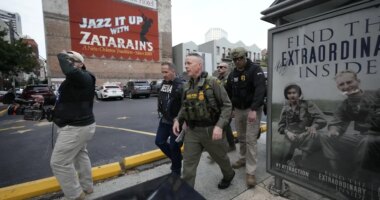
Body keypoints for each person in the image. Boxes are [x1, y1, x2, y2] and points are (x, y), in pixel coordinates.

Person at [172, 53, 235, 189]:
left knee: (221, 159)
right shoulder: (186, 86)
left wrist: (219, 126)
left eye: (189, 63)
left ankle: (229, 175)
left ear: (199, 65)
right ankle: (187, 194)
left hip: (211, 130)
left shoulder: (213, 82)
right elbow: (185, 106)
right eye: (185, 63)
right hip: (192, 132)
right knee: (188, 167)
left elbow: (227, 105)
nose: (186, 66)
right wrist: (178, 119)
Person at [50, 50, 96, 200]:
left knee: (59, 162)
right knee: (80, 155)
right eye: (68, 60)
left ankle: (75, 195)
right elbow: (65, 98)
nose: (68, 64)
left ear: (81, 64)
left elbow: (69, 69)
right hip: (77, 126)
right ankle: (87, 187)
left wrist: (62, 54)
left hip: (76, 128)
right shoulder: (73, 81)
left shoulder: (84, 77)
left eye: (72, 61)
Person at [320, 70, 380, 178]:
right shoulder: (344, 105)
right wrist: (334, 130)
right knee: (325, 136)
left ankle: (359, 179)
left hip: (376, 136)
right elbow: (337, 121)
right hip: (363, 136)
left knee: (367, 141)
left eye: (349, 82)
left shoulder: (376, 95)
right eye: (341, 84)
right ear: (338, 88)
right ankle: (339, 175)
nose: (346, 86)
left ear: (358, 81)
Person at [225, 47, 266, 188]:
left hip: (252, 109)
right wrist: (230, 109)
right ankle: (242, 158)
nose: (237, 62)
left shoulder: (255, 69)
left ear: (245, 57)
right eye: (235, 59)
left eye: (240, 59)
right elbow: (228, 92)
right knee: (241, 137)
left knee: (250, 139)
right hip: (238, 109)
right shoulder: (233, 73)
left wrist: (254, 109)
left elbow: (261, 90)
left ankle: (251, 171)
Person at [278, 84, 327, 167]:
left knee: (307, 163)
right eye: (289, 93)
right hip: (291, 136)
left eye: (294, 92)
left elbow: (322, 119)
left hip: (306, 135)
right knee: (283, 161)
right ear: (286, 95)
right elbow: (281, 126)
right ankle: (282, 173)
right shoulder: (286, 108)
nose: (292, 95)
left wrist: (313, 127)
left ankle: (304, 164)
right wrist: (288, 133)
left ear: (299, 94)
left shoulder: (308, 104)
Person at [155, 62, 183, 176]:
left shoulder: (180, 85)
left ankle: (176, 170)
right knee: (159, 141)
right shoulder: (164, 84)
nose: (164, 75)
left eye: (166, 72)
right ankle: (177, 158)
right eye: (162, 72)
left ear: (173, 71)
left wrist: (180, 119)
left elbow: (184, 105)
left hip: (176, 121)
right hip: (165, 120)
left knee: (174, 146)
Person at [216, 62, 236, 151]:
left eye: (221, 67)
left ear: (226, 68)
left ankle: (222, 149)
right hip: (220, 107)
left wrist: (233, 109)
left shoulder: (230, 79)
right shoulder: (218, 78)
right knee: (226, 126)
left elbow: (234, 95)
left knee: (223, 126)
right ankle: (231, 145)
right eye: (218, 67)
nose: (219, 68)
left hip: (228, 107)